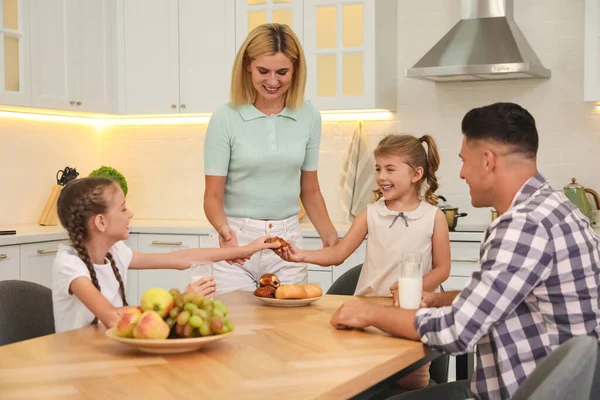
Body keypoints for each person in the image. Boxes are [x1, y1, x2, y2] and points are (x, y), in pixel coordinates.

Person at [329, 102, 600, 400]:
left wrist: (369, 313)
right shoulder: (558, 209)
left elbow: (458, 331)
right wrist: (437, 299)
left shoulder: (523, 225)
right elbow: (514, 297)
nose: (460, 174)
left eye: (463, 160)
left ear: (487, 160)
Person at [279, 133, 451, 390]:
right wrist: (301, 255)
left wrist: (414, 286)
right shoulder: (371, 213)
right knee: (360, 379)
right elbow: (337, 254)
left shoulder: (433, 217)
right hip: (367, 314)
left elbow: (443, 269)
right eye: (379, 169)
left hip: (410, 314)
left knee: (409, 381)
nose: (381, 176)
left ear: (416, 174)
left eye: (390, 169)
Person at [203, 23, 338, 293]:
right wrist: (224, 231)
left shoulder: (309, 116)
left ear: (296, 70)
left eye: (282, 72)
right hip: (237, 240)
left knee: (288, 327)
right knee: (237, 327)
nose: (273, 81)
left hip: (287, 241)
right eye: (264, 71)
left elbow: (310, 190)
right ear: (248, 67)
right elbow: (213, 197)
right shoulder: (226, 118)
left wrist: (331, 237)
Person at [52, 177, 280, 333]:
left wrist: (246, 249)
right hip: (80, 358)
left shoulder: (115, 253)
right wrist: (179, 302)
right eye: (123, 208)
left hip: (109, 349)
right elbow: (111, 317)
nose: (130, 214)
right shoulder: (70, 264)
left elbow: (180, 259)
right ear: (100, 222)